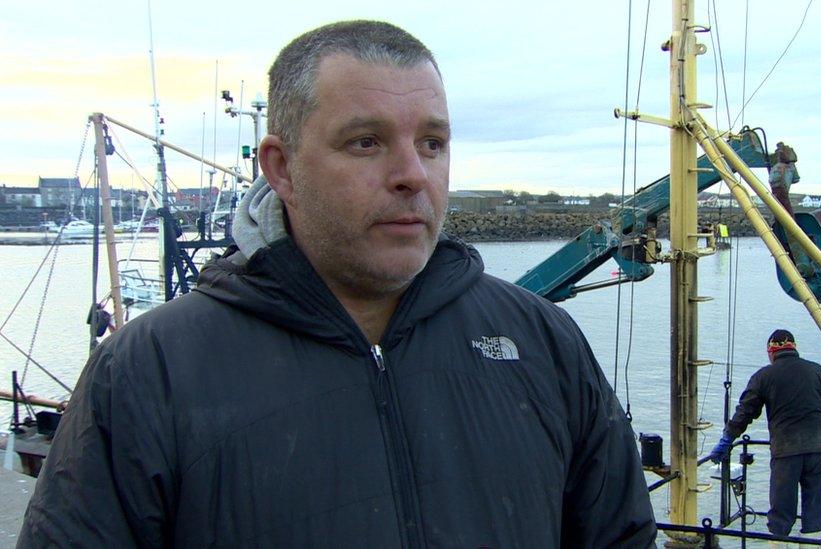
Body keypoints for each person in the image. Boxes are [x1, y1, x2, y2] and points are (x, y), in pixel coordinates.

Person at [19, 20, 656, 547]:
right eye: (365, 142)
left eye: (432, 143)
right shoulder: (145, 372)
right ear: (283, 167)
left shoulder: (543, 341)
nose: (413, 174)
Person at [708, 329, 821, 538]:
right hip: (819, 449)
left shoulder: (764, 376)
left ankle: (779, 543)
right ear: (794, 348)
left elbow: (745, 412)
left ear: (771, 352)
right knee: (815, 509)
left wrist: (727, 438)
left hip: (786, 451)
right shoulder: (818, 371)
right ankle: (812, 542)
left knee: (781, 512)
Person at [768, 141, 799, 217]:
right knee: (786, 213)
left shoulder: (778, 167)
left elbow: (772, 180)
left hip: (779, 190)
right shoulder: (788, 167)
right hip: (781, 191)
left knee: (782, 212)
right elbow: (795, 179)